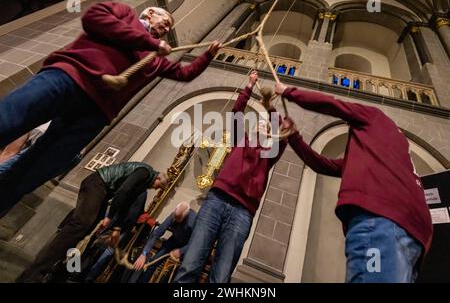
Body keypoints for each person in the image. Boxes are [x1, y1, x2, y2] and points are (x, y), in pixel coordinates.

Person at [0, 2, 222, 214]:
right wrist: (151, 43)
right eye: (165, 21)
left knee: (39, 168)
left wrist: (208, 55)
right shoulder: (124, 14)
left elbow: (184, 74)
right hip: (69, 77)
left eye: (168, 28)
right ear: (150, 13)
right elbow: (93, 18)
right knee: (8, 120)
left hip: (94, 113)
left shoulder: (154, 60)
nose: (166, 29)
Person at [274, 82, 433, 283]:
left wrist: (289, 91)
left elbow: (334, 105)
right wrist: (294, 137)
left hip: (379, 221)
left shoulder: (374, 116)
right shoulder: (382, 152)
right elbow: (322, 165)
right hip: (414, 235)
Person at [173, 71, 288, 283]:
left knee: (221, 275)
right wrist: (249, 86)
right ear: (251, 129)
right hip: (216, 200)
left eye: (266, 125)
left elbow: (284, 133)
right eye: (259, 124)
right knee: (190, 264)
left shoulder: (269, 153)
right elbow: (237, 111)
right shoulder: (240, 140)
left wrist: (269, 105)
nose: (262, 125)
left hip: (243, 212)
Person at [16, 162, 168, 283]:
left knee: (83, 233)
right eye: (158, 186)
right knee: (78, 227)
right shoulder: (145, 171)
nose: (155, 189)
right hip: (97, 184)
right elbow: (123, 191)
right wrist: (110, 217)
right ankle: (34, 274)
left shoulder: (142, 184)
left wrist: (116, 228)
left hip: (102, 191)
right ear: (158, 178)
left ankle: (54, 271)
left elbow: (126, 203)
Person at [126, 202, 197, 283]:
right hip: (174, 240)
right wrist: (144, 253)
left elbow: (195, 243)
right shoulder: (173, 216)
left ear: (185, 216)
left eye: (178, 220)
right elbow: (156, 234)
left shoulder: (193, 221)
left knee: (178, 273)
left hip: (188, 246)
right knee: (152, 263)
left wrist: (181, 251)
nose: (175, 220)